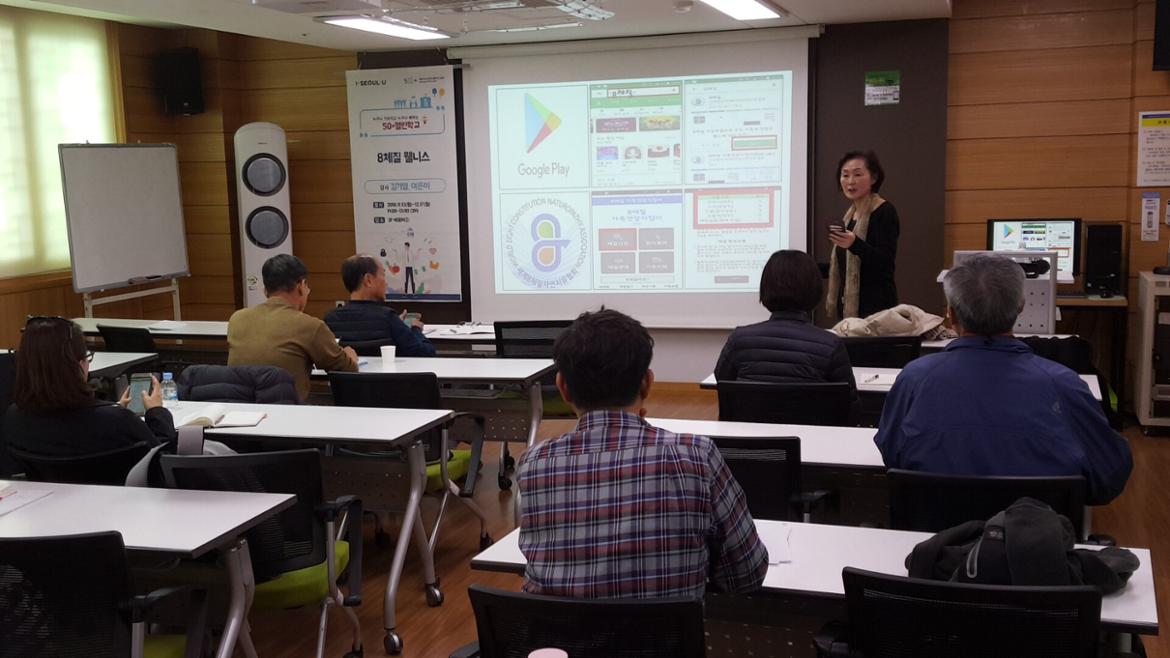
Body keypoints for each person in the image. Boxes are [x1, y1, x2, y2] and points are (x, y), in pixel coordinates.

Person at [518, 308, 768, 599]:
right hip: (670, 630)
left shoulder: (534, 464)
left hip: (561, 630)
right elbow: (747, 574)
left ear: (562, 388)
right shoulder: (696, 457)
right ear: (647, 383)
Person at [873, 253, 1132, 505]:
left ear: (951, 315)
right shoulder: (1064, 384)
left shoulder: (914, 379)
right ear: (1021, 306)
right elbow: (1109, 476)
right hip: (1039, 533)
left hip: (936, 532)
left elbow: (892, 453)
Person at [3, 317, 176, 470]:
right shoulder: (118, 421)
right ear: (78, 365)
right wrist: (157, 412)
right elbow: (163, 461)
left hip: (48, 497)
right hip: (123, 496)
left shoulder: (14, 418)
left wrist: (111, 411)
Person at [715, 249, 855, 392]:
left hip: (751, 408)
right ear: (815, 289)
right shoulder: (831, 345)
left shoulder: (739, 339)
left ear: (765, 288)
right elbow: (848, 400)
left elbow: (723, 385)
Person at [227, 254, 358, 401]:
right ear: (301, 286)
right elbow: (345, 369)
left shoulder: (237, 319)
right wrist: (350, 356)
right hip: (286, 410)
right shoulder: (310, 326)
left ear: (265, 290)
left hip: (239, 409)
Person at [826, 150, 900, 319]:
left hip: (876, 312)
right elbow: (844, 265)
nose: (850, 181)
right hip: (848, 313)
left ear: (873, 178)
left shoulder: (884, 211)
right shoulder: (850, 217)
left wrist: (854, 244)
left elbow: (885, 263)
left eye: (857, 174)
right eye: (845, 175)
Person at [324, 255, 436, 357]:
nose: (386, 283)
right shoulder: (387, 317)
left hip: (347, 374)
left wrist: (398, 324)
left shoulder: (330, 320)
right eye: (383, 275)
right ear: (368, 280)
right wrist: (416, 330)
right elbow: (425, 353)